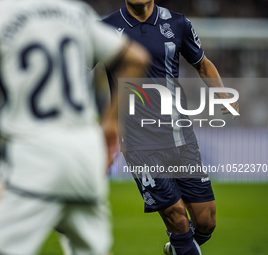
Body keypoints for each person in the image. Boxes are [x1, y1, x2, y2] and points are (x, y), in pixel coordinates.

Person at [0, 0, 150, 254]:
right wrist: (111, 125)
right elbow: (137, 58)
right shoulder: (73, 12)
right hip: (86, 155)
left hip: (36, 157)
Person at [102, 1, 239, 255]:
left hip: (180, 136)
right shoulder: (106, 29)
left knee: (206, 221)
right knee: (177, 217)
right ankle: (181, 241)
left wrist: (221, 93)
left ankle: (177, 247)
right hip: (138, 142)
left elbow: (203, 63)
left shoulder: (177, 23)